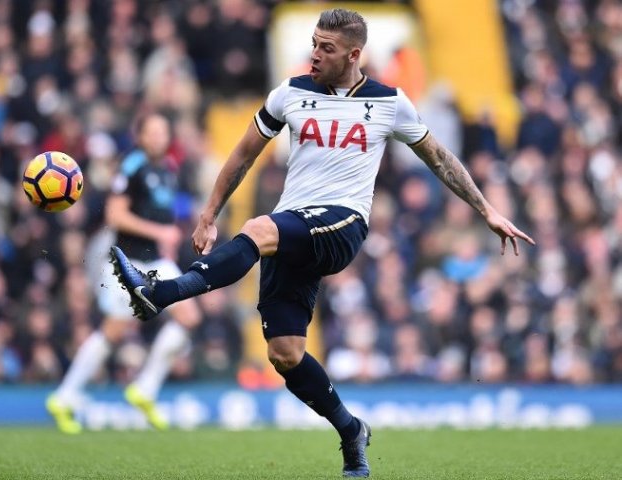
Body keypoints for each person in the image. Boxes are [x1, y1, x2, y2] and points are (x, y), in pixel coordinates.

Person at [110, 8, 535, 478]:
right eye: (314, 43)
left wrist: (488, 210)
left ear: (354, 55)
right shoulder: (289, 93)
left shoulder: (389, 102)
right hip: (295, 226)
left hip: (343, 225)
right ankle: (352, 430)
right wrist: (209, 212)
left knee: (258, 228)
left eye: (326, 49)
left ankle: (159, 292)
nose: (314, 54)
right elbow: (244, 154)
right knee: (284, 353)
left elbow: (440, 159)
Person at [47, 113, 201, 433]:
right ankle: (64, 396)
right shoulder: (131, 166)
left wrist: (166, 240)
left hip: (156, 261)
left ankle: (144, 390)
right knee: (113, 330)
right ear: (140, 135)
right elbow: (116, 216)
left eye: (163, 130)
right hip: (127, 262)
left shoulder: (169, 169)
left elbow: (161, 213)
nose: (159, 136)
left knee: (189, 317)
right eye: (152, 131)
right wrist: (160, 232)